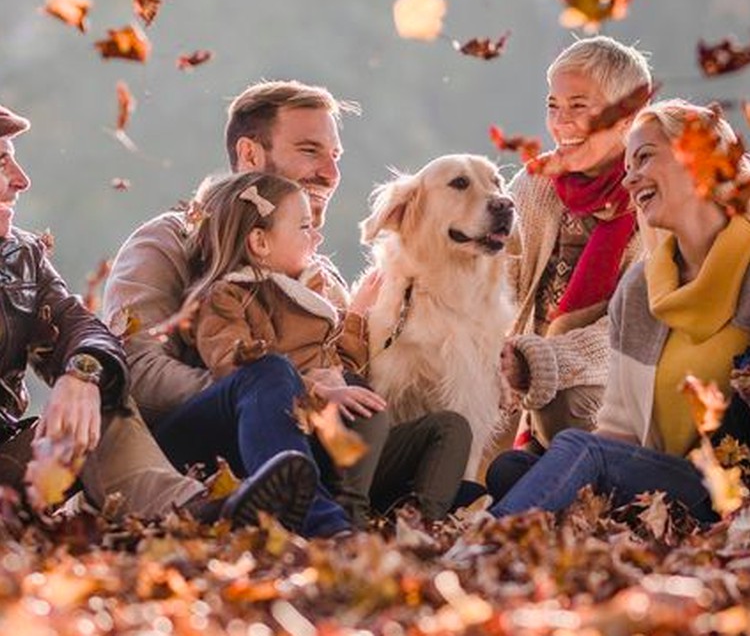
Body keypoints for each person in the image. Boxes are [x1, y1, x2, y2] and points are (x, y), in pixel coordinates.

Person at [105, 81, 471, 527]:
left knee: (458, 474)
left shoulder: (321, 279)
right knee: (272, 371)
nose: (330, 174)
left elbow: (351, 380)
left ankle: (391, 517)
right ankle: (321, 522)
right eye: (310, 151)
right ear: (251, 155)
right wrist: (280, 392)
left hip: (313, 445)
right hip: (199, 452)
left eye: (335, 157)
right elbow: (137, 370)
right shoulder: (168, 242)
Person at [0, 104, 315, 530]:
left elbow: (81, 328)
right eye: (3, 162)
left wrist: (82, 374)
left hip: (9, 457)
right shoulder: (163, 244)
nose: (21, 180)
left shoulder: (20, 256)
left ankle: (203, 512)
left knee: (100, 398)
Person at [488, 99, 750, 522]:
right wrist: (588, 468)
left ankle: (483, 542)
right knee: (512, 469)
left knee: (578, 452)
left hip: (727, 490)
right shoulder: (643, 288)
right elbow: (620, 427)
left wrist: (589, 459)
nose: (630, 180)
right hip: (657, 484)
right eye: (627, 167)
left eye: (645, 157)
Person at [500, 36, 651, 457]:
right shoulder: (535, 185)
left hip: (616, 388)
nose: (560, 123)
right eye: (553, 106)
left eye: (579, 107)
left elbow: (632, 331)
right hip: (526, 373)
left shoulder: (647, 197)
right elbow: (499, 282)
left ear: (627, 116)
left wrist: (540, 360)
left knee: (564, 401)